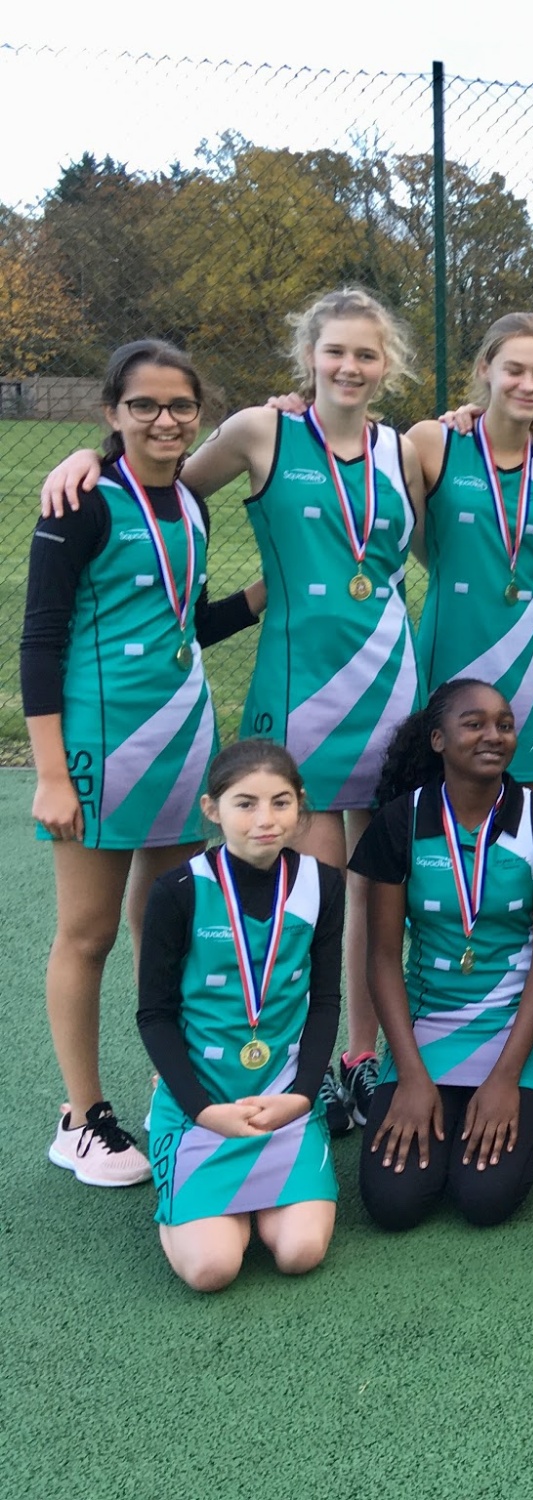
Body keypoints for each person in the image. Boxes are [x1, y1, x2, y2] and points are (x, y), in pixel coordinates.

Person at [44, 287, 426, 1138]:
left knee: (382, 894)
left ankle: (362, 1063)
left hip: (392, 689)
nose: (350, 367)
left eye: (367, 354)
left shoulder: (413, 447)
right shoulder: (262, 430)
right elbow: (156, 473)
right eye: (335, 352)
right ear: (309, 357)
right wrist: (84, 453)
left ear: (387, 363)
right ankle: (303, 1073)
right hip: (299, 700)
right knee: (314, 897)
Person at [25, 340, 263, 1186]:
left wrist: (263, 598)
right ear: (111, 413)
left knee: (166, 927)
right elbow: (40, 639)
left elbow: (182, 626)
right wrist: (51, 773)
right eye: (144, 406)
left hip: (184, 741)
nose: (164, 421)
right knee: (86, 933)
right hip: (100, 749)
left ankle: (179, 1090)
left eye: (180, 407)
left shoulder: (190, 504)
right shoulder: (82, 500)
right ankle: (81, 1118)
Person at [348, 679, 533, 1230]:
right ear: (437, 739)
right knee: (393, 1203)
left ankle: (506, 1094)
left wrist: (505, 1079)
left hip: (514, 1026)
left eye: (503, 724)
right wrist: (409, 1075)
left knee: (485, 1198)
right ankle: (429, 1093)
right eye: (473, 724)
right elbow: (382, 957)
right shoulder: (398, 824)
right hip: (425, 1028)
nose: (493, 736)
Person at [136, 741, 343, 1292]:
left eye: (280, 802)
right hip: (204, 1103)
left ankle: (254, 1198)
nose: (265, 820)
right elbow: (154, 1015)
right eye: (244, 804)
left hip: (283, 1097)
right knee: (212, 1269)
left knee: (300, 1252)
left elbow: (324, 1001)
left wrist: (302, 1095)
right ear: (213, 809)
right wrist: (203, 1110)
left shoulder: (323, 884)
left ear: (300, 805)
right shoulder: (177, 890)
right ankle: (182, 1162)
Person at [408, 313, 533, 791]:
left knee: (524, 808)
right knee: (434, 795)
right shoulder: (435, 441)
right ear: (484, 369)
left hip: (527, 657)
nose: (528, 384)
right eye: (514, 369)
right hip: (449, 645)